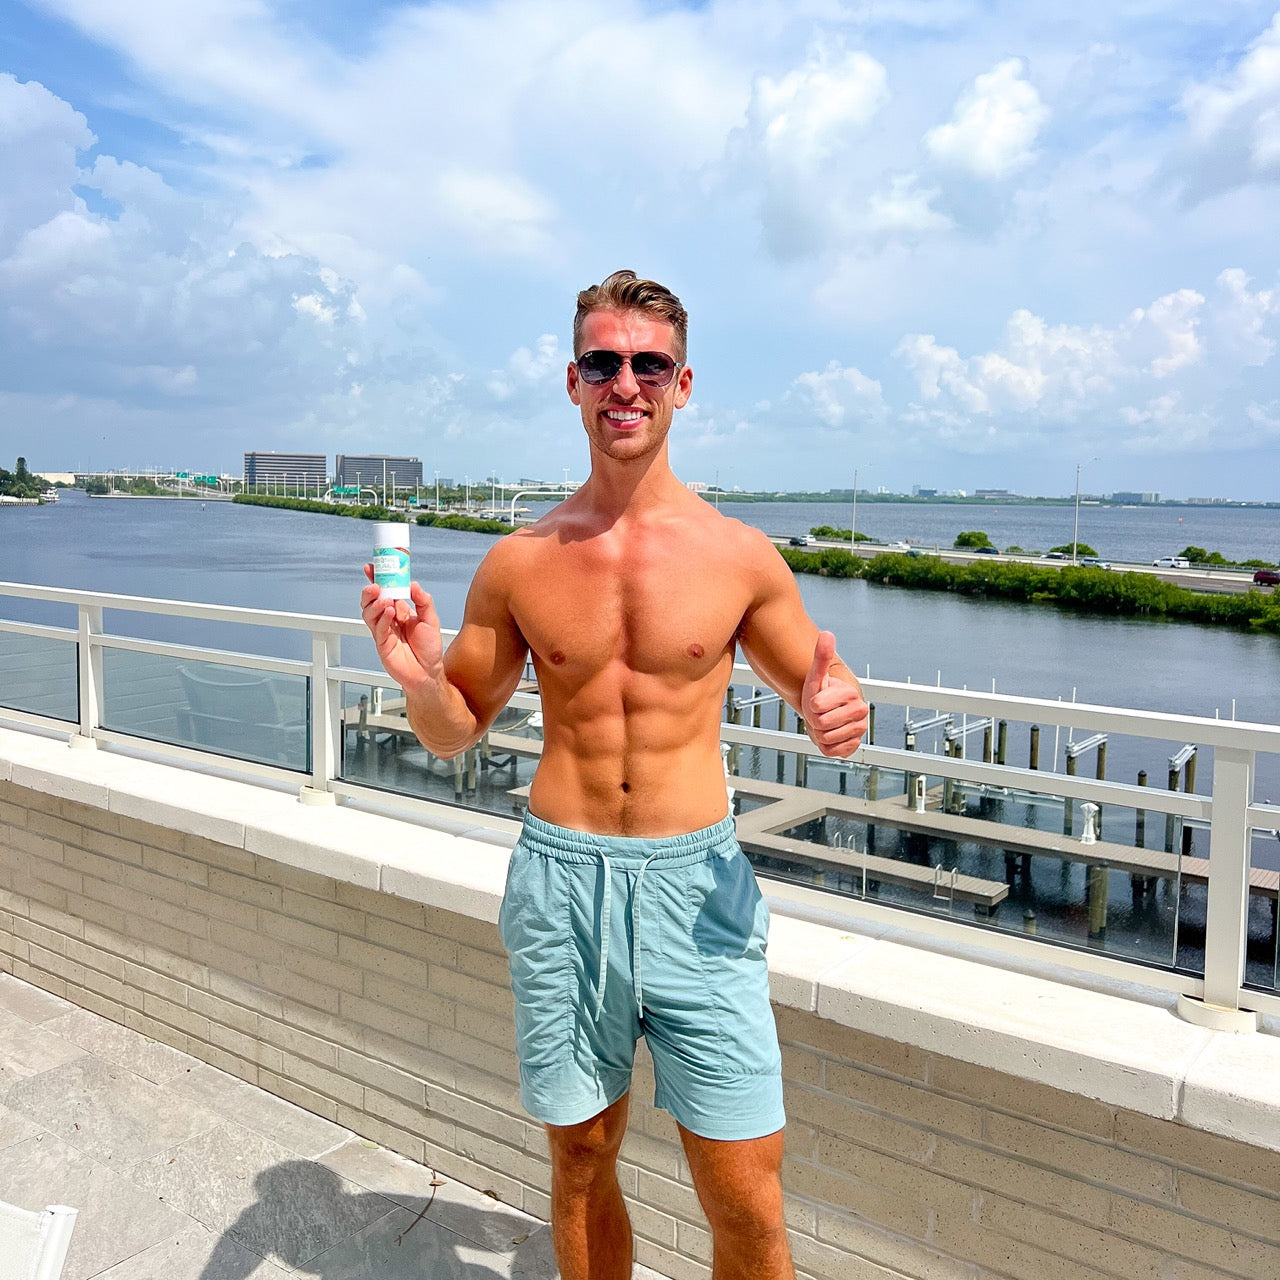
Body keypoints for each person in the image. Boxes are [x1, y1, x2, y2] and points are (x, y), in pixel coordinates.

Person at [361, 270, 868, 1280]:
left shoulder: (738, 555)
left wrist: (838, 706)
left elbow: (815, 676)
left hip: (698, 890)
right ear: (573, 380)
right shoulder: (518, 560)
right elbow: (455, 726)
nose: (624, 382)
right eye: (604, 362)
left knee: (743, 1191)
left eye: (647, 364)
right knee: (581, 1159)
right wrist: (413, 669)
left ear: (683, 384)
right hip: (563, 879)